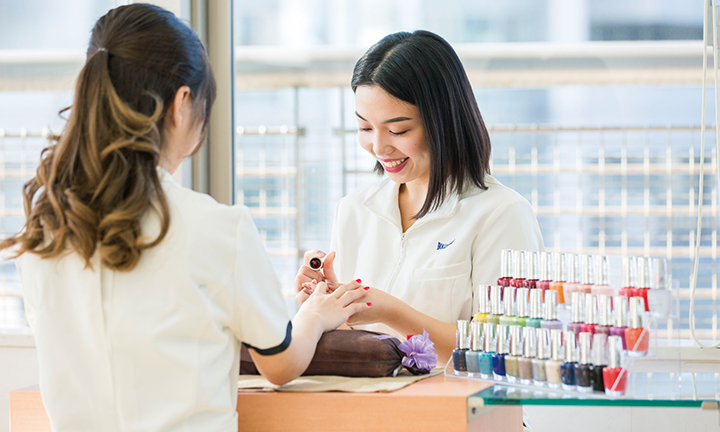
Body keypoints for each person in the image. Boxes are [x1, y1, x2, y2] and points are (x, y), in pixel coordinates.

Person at [1, 4, 369, 432]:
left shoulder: (46, 232)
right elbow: (281, 364)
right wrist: (316, 315)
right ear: (181, 103)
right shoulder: (218, 228)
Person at [295, 30, 544, 364]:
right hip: (376, 411)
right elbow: (363, 352)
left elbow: (509, 350)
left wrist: (392, 312)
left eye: (398, 130)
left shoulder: (501, 213)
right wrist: (328, 308)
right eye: (365, 128)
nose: (379, 148)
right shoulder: (353, 210)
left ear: (442, 122)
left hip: (466, 412)